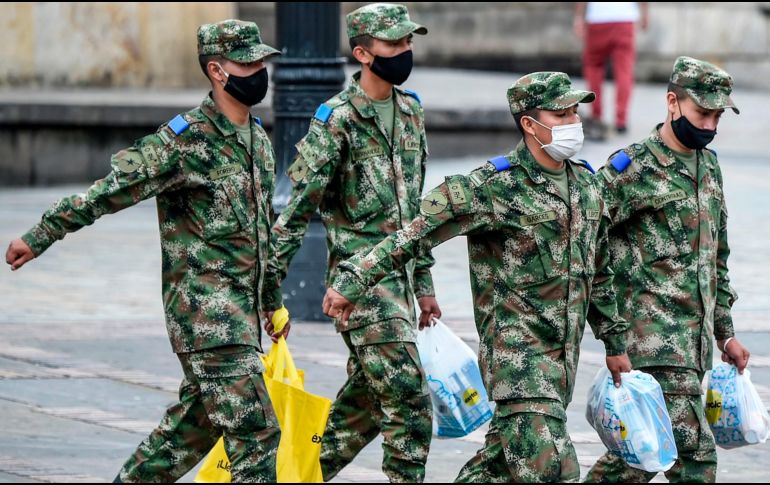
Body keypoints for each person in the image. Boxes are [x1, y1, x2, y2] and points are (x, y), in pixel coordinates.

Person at [5, 19, 283, 483]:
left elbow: (261, 237)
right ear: (217, 70)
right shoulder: (182, 140)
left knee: (186, 437)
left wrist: (271, 304)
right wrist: (41, 234)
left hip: (241, 316)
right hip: (206, 316)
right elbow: (110, 190)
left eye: (260, 61)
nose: (258, 70)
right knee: (256, 434)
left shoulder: (257, 139)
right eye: (247, 62)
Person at [324, 71, 632, 482]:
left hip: (561, 365)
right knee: (553, 469)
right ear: (529, 123)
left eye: (575, 112)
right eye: (560, 115)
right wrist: (353, 280)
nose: (573, 122)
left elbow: (600, 271)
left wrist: (614, 343)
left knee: (498, 469)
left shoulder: (586, 187)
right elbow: (415, 235)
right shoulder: (494, 187)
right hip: (515, 361)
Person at [260, 3, 440, 483]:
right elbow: (295, 211)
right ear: (362, 53)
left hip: (400, 284)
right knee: (410, 404)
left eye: (408, 43)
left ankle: (291, 478)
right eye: (393, 44)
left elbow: (415, 210)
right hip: (359, 286)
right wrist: (268, 292)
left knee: (360, 412)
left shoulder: (411, 111)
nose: (404, 52)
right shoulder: (335, 119)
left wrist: (423, 285)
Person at [584, 56, 751, 483]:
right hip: (650, 343)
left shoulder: (706, 165)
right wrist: (611, 331)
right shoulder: (632, 167)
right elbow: (583, 236)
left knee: (636, 459)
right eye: (703, 113)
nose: (710, 125)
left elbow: (716, 256)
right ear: (672, 102)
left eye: (717, 116)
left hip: (693, 347)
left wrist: (724, 331)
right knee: (695, 459)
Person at [574, 2, 649, 139]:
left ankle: (596, 116)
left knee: (594, 67)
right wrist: (645, 15)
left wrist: (579, 17)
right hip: (625, 18)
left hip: (597, 18)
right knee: (624, 70)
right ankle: (621, 120)